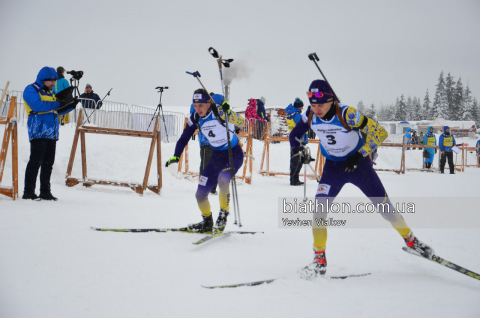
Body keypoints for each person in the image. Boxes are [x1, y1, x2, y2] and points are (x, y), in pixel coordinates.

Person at [289, 79, 434, 279]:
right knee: (319, 211)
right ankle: (319, 261)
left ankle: (411, 241)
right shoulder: (310, 114)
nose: (317, 109)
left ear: (331, 100)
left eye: (320, 104)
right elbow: (296, 132)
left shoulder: (347, 114)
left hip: (359, 166)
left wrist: (360, 155)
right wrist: (295, 148)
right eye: (313, 104)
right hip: (333, 168)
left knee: (385, 208)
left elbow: (379, 133)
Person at [165, 89, 245, 233]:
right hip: (216, 156)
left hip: (233, 154)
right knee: (200, 194)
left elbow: (242, 122)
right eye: (195, 105)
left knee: (223, 178)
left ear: (209, 103)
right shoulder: (195, 117)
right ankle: (207, 222)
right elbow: (184, 138)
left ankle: (223, 214)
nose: (198, 109)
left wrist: (230, 114)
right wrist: (176, 156)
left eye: (201, 105)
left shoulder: (220, 111)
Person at [22, 67, 78, 200]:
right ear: (43, 79)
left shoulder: (51, 92)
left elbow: (55, 111)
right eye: (51, 81)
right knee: (35, 161)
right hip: (38, 131)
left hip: (51, 133)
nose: (54, 84)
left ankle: (45, 191)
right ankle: (28, 192)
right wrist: (59, 104)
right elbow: (38, 106)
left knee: (48, 163)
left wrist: (69, 105)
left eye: (54, 81)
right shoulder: (31, 89)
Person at [189, 92, 224, 195]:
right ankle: (211, 187)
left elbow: (193, 114)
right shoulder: (218, 105)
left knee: (205, 165)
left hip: (206, 141)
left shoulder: (204, 106)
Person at [285, 97, 308, 186]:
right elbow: (302, 126)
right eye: (302, 107)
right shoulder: (297, 115)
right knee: (298, 159)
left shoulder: (291, 114)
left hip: (294, 138)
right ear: (299, 107)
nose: (302, 108)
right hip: (299, 139)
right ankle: (294, 180)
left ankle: (294, 178)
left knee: (296, 158)